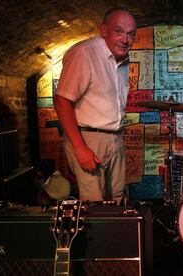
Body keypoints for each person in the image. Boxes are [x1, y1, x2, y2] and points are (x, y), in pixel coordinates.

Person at [54, 7, 137, 204]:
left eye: (130, 34)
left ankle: (115, 236)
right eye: (118, 31)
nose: (125, 39)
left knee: (116, 198)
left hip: (114, 138)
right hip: (88, 138)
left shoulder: (123, 60)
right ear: (103, 30)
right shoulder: (84, 53)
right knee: (95, 204)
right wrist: (80, 149)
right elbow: (62, 101)